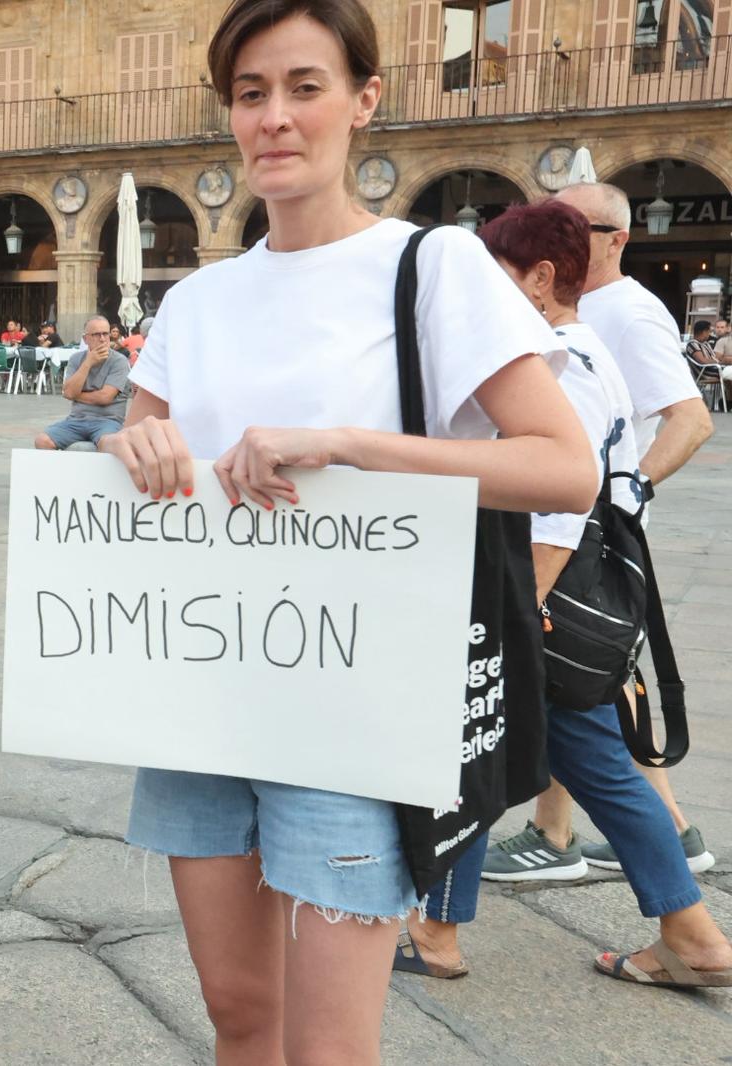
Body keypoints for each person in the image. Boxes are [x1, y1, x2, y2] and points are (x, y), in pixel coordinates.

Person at [97, 2, 596, 1060]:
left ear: (364, 101)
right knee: (238, 1013)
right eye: (249, 94)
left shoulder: (434, 268)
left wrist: (352, 445)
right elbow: (140, 448)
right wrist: (129, 448)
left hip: (356, 711)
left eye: (303, 87)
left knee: (330, 1045)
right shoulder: (196, 301)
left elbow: (563, 465)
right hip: (201, 696)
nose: (274, 117)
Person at [396, 199, 732, 990]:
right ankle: (693, 935)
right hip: (561, 598)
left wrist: (513, 625)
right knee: (575, 761)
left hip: (545, 595)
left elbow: (556, 513)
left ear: (541, 280)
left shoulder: (558, 365)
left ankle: (441, 933)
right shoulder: (580, 351)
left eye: (495, 281)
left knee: (476, 748)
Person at [549, 180, 716, 876]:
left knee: (595, 690)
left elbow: (692, 417)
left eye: (572, 226)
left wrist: (626, 491)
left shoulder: (630, 313)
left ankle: (672, 841)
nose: (554, 236)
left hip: (591, 539)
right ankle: (553, 836)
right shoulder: (577, 306)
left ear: (617, 238)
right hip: (573, 529)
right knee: (574, 688)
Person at [32, 316, 130, 450]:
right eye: (96, 334)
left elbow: (104, 397)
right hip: (76, 420)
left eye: (105, 334)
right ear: (86, 339)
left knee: (108, 443)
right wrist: (88, 362)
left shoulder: (119, 361)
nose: (102, 338)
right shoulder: (76, 359)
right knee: (42, 441)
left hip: (108, 420)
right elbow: (69, 392)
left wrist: (76, 395)